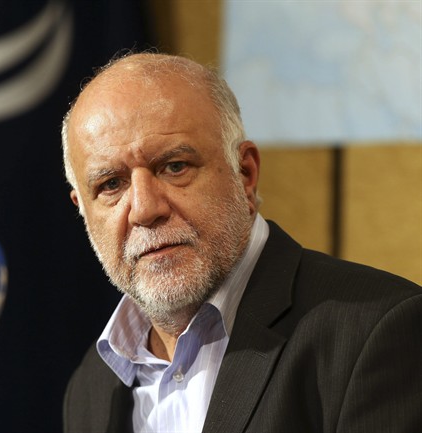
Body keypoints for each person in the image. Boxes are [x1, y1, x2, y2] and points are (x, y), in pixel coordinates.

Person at [60, 52, 422, 433]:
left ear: (245, 173)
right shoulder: (90, 388)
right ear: (82, 209)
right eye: (111, 185)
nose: (145, 209)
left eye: (174, 166)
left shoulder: (375, 333)